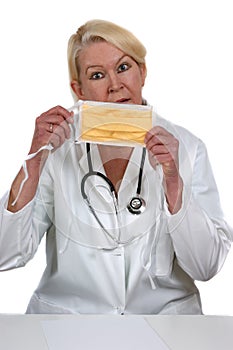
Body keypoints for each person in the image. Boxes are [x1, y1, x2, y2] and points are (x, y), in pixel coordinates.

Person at [0, 19, 232, 315]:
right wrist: (34, 159)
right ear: (79, 89)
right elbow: (5, 253)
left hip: (165, 322)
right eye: (97, 75)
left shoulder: (188, 147)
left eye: (123, 67)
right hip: (68, 322)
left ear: (142, 72)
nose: (114, 85)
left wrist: (174, 185)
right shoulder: (56, 149)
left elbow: (207, 265)